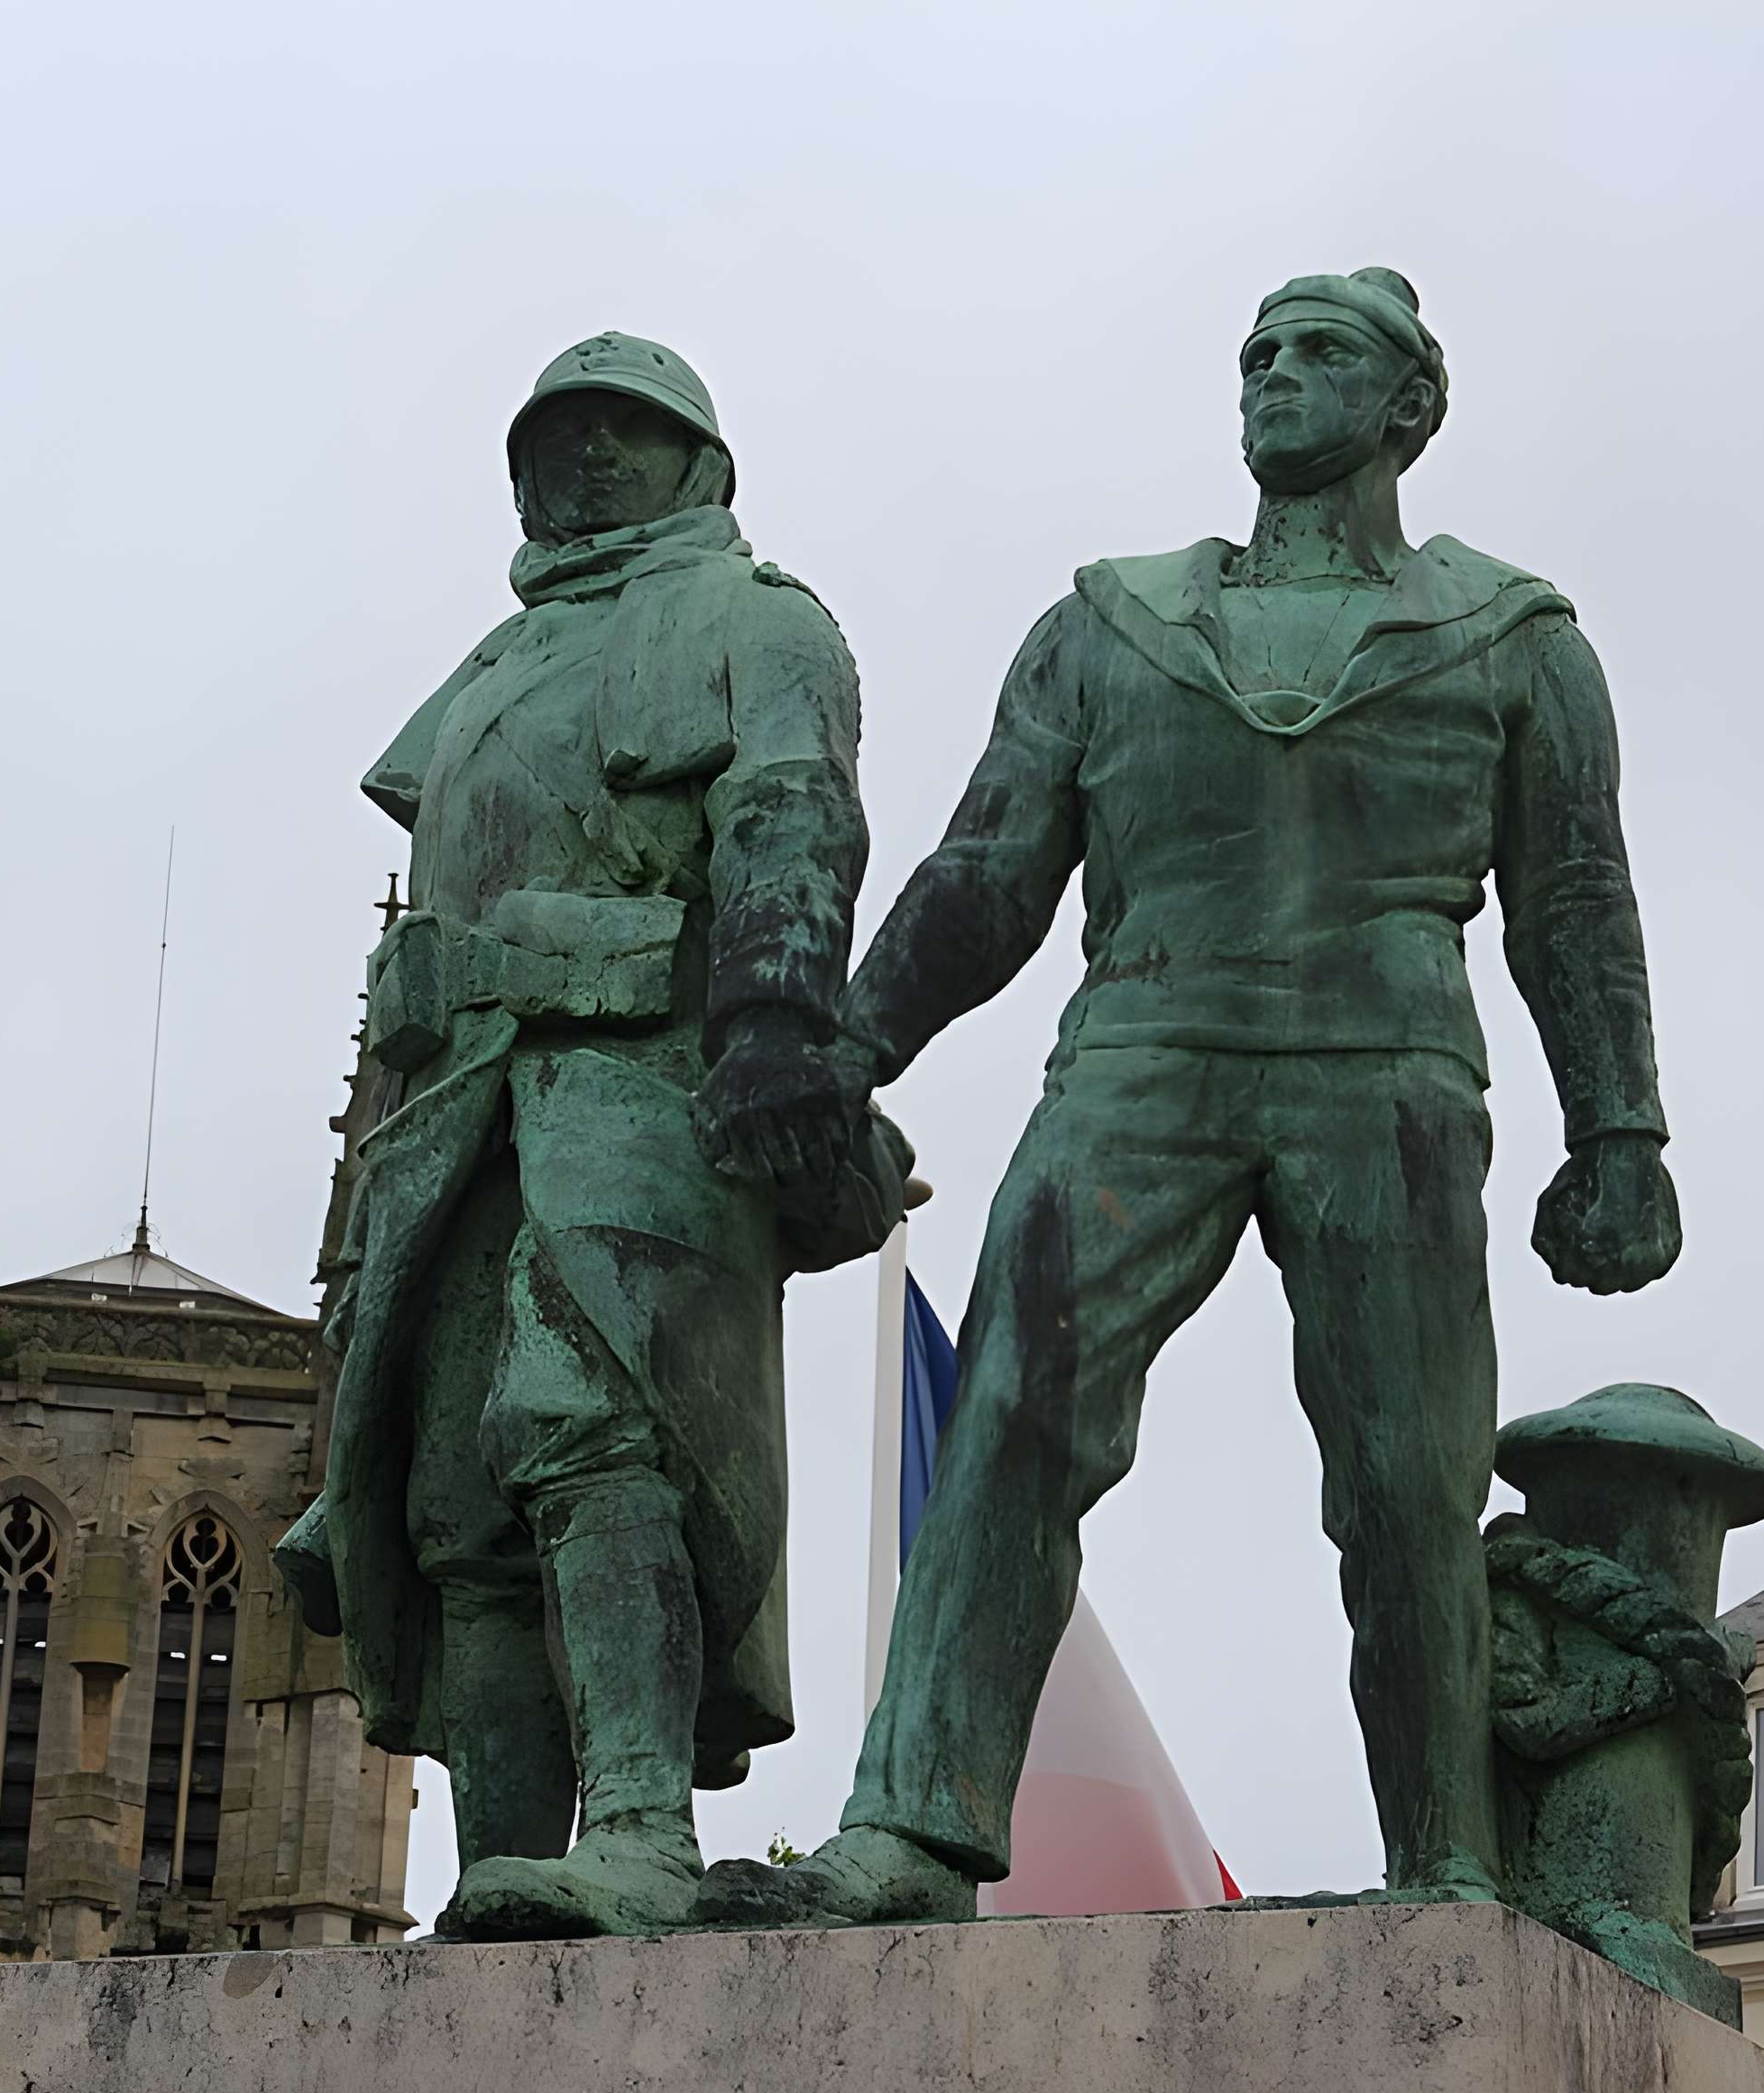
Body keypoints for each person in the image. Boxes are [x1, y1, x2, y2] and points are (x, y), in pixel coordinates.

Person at [717, 270, 1680, 1928]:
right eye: (1257, 353)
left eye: (1319, 352)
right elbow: (987, 875)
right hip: (1141, 1048)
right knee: (1013, 1411)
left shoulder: (1517, 637)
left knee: (1409, 1476)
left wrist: (1622, 1135)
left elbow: (1575, 899)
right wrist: (846, 1047)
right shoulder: (1110, 622)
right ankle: (912, 1829)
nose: (1273, 375)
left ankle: (1447, 1861)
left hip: (1387, 1070)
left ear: (1407, 407)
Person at [278, 333, 895, 1939]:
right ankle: (503, 1870)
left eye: (629, 434)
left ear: (700, 462)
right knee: (456, 1501)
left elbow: (792, 815)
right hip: (452, 1109)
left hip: (635, 1085)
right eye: (564, 441)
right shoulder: (492, 668)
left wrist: (774, 1025)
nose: (595, 461)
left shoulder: (758, 620)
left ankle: (637, 1832)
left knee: (587, 1424)